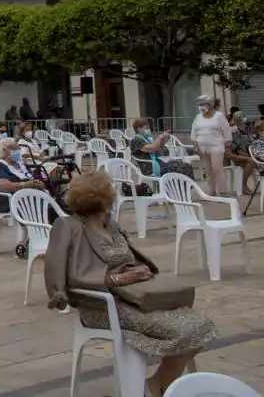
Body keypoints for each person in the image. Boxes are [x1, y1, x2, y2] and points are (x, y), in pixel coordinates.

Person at [45, 169, 216, 396]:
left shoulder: (110, 225)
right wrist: (116, 279)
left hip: (133, 296)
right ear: (105, 198)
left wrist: (137, 269)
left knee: (201, 322)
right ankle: (156, 388)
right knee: (183, 328)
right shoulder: (68, 226)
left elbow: (125, 259)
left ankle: (158, 383)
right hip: (101, 304)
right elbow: (64, 275)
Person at [0, 138, 47, 252]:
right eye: (13, 149)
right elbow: (4, 186)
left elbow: (31, 177)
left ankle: (46, 236)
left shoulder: (20, 165)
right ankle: (33, 240)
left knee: (52, 203)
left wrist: (38, 183)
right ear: (4, 151)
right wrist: (25, 184)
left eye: (17, 148)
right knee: (41, 208)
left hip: (28, 197)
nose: (16, 151)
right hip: (10, 200)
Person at [192, 95, 233, 195]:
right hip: (203, 146)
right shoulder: (198, 117)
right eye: (199, 104)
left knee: (217, 167)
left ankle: (223, 191)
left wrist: (227, 144)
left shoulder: (219, 116)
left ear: (210, 105)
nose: (201, 106)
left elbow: (226, 130)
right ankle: (212, 191)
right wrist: (194, 143)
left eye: (203, 104)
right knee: (208, 170)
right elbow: (194, 131)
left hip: (216, 145)